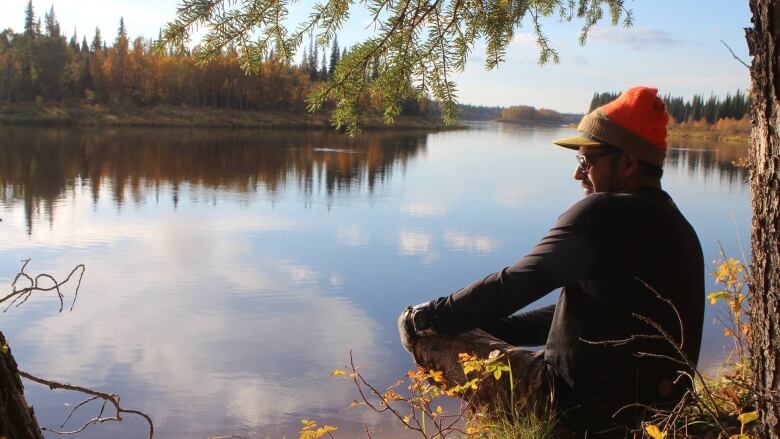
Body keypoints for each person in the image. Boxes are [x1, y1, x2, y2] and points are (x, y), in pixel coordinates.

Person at [398, 86, 705, 436]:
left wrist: (429, 317)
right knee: (467, 330)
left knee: (422, 336)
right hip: (655, 416)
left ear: (629, 162)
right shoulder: (678, 225)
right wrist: (490, 329)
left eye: (585, 161)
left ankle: (524, 430)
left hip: (573, 411)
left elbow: (517, 282)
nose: (578, 175)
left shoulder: (601, 213)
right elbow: (581, 316)